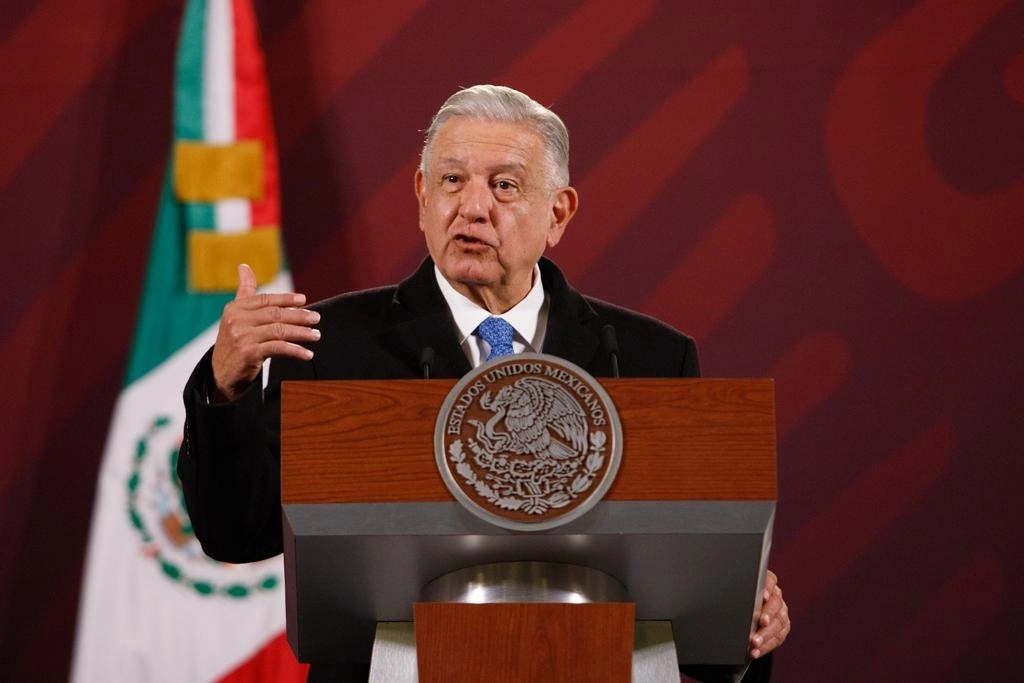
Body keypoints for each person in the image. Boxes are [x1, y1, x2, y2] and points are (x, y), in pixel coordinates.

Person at [179, 84, 790, 681]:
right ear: (422, 196)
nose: (472, 207)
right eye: (451, 180)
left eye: (503, 185)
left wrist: (749, 615)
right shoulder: (329, 344)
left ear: (558, 212)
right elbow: (238, 532)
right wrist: (225, 386)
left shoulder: (651, 357)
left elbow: (688, 588)